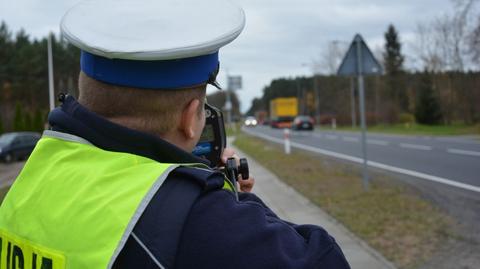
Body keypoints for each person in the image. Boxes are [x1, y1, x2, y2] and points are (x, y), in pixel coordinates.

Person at [0, 0, 351, 268]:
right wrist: (228, 196)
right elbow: (323, 259)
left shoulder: (34, 175)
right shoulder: (201, 220)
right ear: (190, 118)